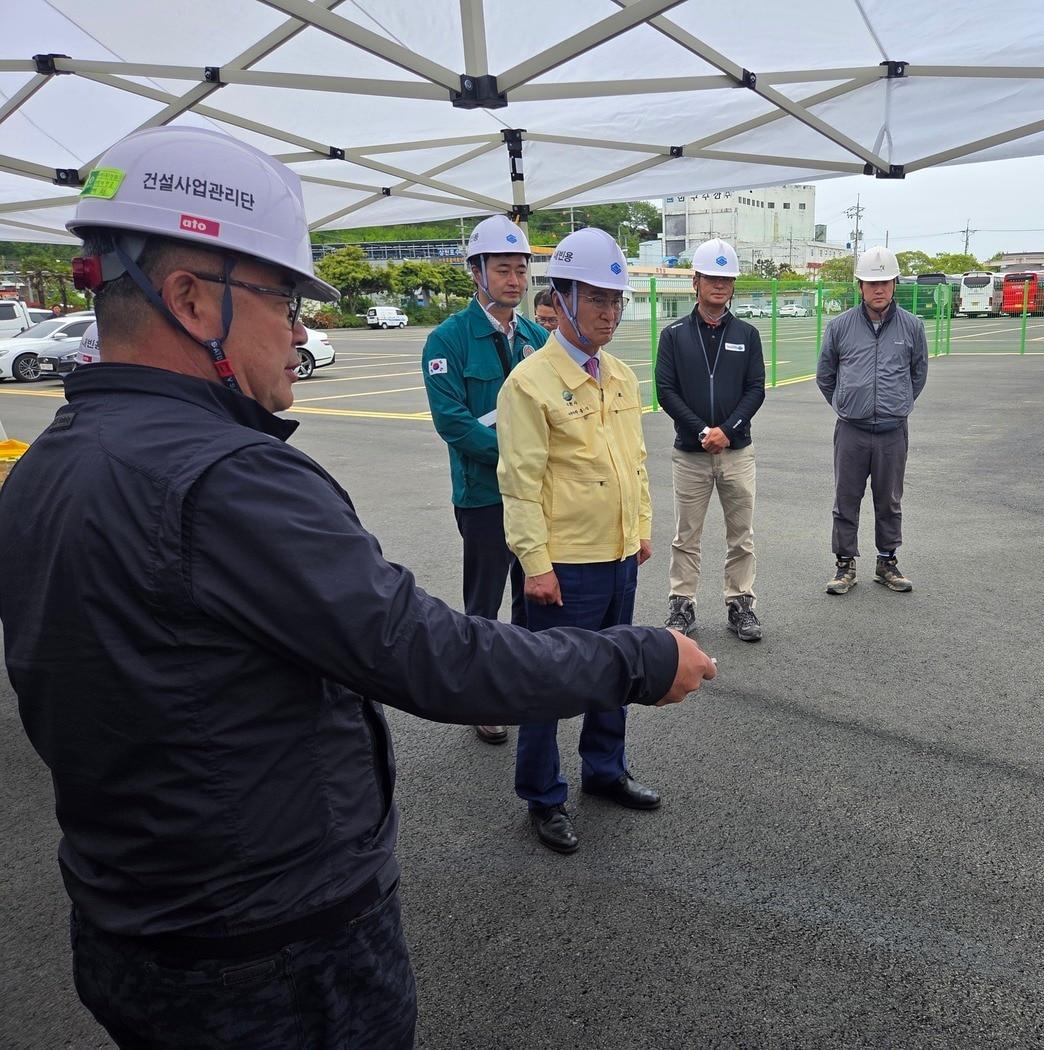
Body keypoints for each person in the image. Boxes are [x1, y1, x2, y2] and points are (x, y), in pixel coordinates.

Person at [0, 127, 716, 1050]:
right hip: (271, 947)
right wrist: (641, 656)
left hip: (128, 919)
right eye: (282, 299)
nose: (301, 332)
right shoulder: (232, 484)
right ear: (187, 297)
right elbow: (427, 654)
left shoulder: (47, 466)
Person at [497, 228, 660, 854]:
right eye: (595, 298)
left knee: (615, 671)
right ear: (560, 298)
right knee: (548, 683)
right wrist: (535, 563)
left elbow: (636, 461)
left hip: (619, 554)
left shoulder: (618, 374)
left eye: (616, 300)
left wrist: (641, 529)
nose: (609, 312)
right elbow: (519, 483)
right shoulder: (530, 383)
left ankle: (605, 770)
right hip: (564, 565)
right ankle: (542, 795)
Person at [423, 214, 548, 747]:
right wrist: (519, 457)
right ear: (476, 272)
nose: (515, 280)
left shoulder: (538, 336)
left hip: (536, 498)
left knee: (534, 594)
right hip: (483, 498)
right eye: (503, 270)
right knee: (484, 601)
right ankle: (481, 697)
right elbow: (453, 424)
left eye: (521, 270)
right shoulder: (446, 340)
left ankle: (520, 685)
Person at [654, 238, 766, 641]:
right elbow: (665, 390)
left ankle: (741, 604)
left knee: (742, 534)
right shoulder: (675, 334)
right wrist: (702, 430)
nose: (719, 285)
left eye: (727, 278)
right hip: (691, 453)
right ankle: (682, 606)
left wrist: (728, 430)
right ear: (696, 282)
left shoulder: (747, 335)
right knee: (686, 535)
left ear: (733, 285)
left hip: (737, 452)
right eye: (712, 278)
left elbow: (756, 388)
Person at [816, 245, 928, 595]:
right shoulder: (839, 327)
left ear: (895, 284)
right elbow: (825, 375)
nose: (878, 289)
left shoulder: (912, 326)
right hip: (851, 430)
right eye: (870, 282)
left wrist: (899, 403)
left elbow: (918, 373)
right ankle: (844, 565)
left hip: (893, 431)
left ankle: (887, 561)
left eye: (884, 282)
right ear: (860, 286)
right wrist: (847, 404)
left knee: (889, 499)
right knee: (845, 499)